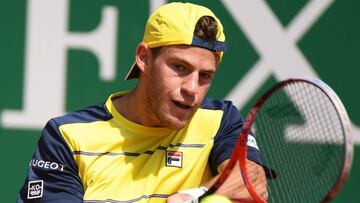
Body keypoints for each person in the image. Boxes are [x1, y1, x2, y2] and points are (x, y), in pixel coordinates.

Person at [17, 2, 267, 203]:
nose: (192, 88)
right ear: (144, 58)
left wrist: (195, 196)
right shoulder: (67, 136)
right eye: (179, 67)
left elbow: (251, 181)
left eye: (205, 76)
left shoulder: (220, 120)